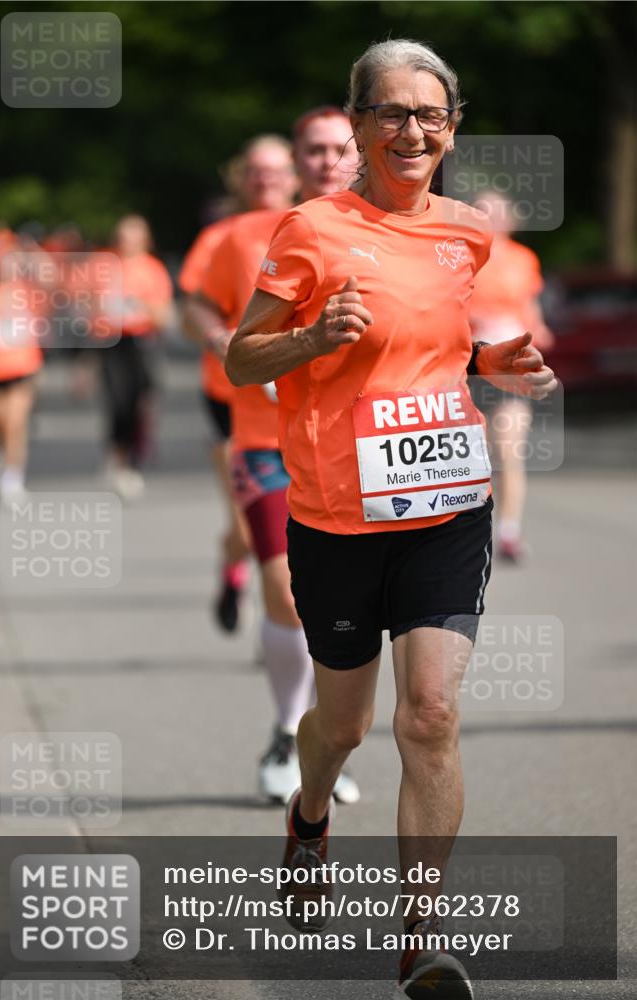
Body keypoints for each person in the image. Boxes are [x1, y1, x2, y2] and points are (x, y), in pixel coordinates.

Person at [226, 39, 557, 997]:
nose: (411, 131)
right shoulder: (311, 229)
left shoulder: (466, 233)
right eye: (390, 113)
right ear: (360, 123)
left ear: (451, 126)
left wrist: (491, 368)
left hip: (444, 506)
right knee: (343, 725)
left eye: (430, 114)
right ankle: (312, 810)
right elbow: (243, 361)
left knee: (431, 714)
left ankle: (422, 936)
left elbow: (441, 350)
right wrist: (310, 335)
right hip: (335, 514)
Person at [191, 107, 360, 804]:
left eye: (333, 150)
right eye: (309, 150)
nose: (316, 164)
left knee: (344, 603)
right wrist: (236, 344)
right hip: (260, 431)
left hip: (350, 438)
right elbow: (197, 306)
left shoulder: (362, 228)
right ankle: (290, 731)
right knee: (284, 586)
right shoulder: (236, 237)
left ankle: (329, 739)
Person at [179, 135, 298, 631]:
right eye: (255, 170)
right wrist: (218, 339)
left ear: (294, 177)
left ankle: (281, 617)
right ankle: (242, 580)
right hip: (231, 399)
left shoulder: (322, 226)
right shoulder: (221, 237)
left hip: (305, 399)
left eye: (276, 169)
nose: (266, 179)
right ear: (240, 178)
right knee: (249, 525)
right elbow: (191, 311)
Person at [470, 191, 554, 562]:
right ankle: (467, 531)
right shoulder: (463, 256)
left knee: (509, 450)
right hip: (470, 366)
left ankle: (508, 532)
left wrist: (537, 333)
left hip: (513, 369)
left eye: (496, 212)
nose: (489, 218)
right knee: (475, 455)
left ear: (510, 219)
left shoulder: (524, 259)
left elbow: (530, 311)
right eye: (482, 212)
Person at [97, 215, 174, 500]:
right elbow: (90, 309)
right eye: (124, 235)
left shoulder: (153, 270)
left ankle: (132, 461)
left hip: (142, 342)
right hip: (111, 342)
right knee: (117, 402)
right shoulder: (105, 266)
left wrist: (140, 305)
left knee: (141, 402)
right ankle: (117, 458)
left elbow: (164, 316)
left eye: (135, 235)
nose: (128, 241)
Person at [0, 228, 44, 504]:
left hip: (22, 366)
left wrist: (32, 250)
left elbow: (53, 281)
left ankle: (12, 479)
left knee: (15, 422)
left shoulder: (28, 291)